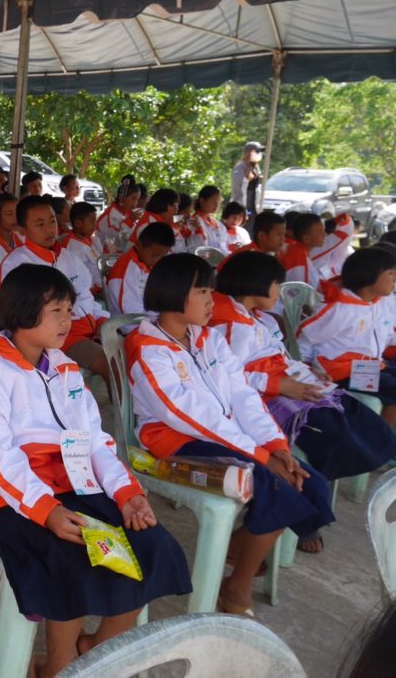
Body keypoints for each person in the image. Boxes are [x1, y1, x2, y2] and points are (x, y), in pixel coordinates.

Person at [0, 263, 191, 676]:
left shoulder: (65, 369)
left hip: (74, 485)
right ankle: (58, 665)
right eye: (57, 312)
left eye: (70, 310)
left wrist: (127, 493)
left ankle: (93, 646)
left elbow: (96, 441)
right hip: (13, 497)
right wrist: (45, 509)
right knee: (69, 559)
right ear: (22, 314)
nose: (69, 320)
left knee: (151, 546)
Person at [127, 253, 334, 617]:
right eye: (202, 291)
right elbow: (187, 415)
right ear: (174, 293)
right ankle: (237, 586)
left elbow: (243, 395)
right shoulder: (148, 349)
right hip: (172, 442)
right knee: (273, 481)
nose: (212, 301)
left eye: (212, 290)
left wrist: (276, 446)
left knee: (308, 480)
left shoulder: (208, 339)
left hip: (226, 436)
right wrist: (261, 457)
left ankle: (241, 545)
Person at [211, 251, 396, 553]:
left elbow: (279, 355)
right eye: (276, 285)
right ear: (256, 285)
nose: (278, 293)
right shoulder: (233, 327)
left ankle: (314, 494)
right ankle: (305, 516)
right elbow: (229, 376)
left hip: (289, 383)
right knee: (333, 434)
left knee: (359, 418)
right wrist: (280, 384)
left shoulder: (259, 319)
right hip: (265, 397)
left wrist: (302, 372)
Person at [0, 195, 111, 383]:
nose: (50, 229)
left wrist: (101, 322)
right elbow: (22, 314)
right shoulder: (17, 264)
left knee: (129, 351)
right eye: (40, 224)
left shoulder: (69, 257)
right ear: (22, 230)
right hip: (56, 335)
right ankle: (122, 413)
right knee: (110, 364)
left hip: (88, 328)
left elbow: (86, 297)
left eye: (52, 221)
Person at [298, 247, 396, 427]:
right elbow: (306, 337)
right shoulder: (340, 309)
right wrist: (306, 369)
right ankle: (383, 443)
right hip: (342, 372)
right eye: (391, 273)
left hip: (368, 367)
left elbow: (388, 335)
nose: (394, 279)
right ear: (370, 275)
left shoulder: (378, 304)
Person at [106, 222, 175, 317]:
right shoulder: (127, 270)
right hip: (131, 325)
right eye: (154, 255)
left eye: (163, 256)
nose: (157, 260)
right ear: (138, 245)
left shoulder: (147, 262)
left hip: (154, 318)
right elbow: (132, 313)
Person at [61, 201, 108, 293]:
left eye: (95, 220)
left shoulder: (89, 238)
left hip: (101, 285)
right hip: (90, 291)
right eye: (92, 221)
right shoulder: (73, 246)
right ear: (78, 223)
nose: (95, 224)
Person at [220, 210, 287, 267]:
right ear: (262, 236)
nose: (283, 239)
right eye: (279, 234)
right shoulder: (247, 257)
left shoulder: (272, 255)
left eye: (284, 234)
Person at [280, 212, 326, 290]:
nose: (324, 235)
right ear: (306, 239)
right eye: (320, 232)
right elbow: (300, 293)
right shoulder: (298, 258)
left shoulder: (296, 250)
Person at [130, 188, 185, 253]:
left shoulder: (158, 220)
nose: (176, 209)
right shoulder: (151, 224)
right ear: (162, 205)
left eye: (177, 205)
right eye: (174, 205)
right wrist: (175, 229)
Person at [96, 178, 140, 251]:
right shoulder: (110, 215)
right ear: (122, 198)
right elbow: (118, 239)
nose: (135, 203)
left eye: (137, 199)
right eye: (133, 198)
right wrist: (130, 221)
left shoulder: (127, 212)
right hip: (103, 253)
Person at [310, 212, 356, 281]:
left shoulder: (333, 252)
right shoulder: (317, 249)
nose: (323, 235)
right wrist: (338, 221)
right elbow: (347, 229)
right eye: (320, 232)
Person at [187, 185, 228, 253]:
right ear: (202, 201)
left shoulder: (219, 225)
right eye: (213, 202)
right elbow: (194, 247)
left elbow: (223, 247)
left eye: (219, 202)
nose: (217, 205)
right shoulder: (193, 221)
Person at [230, 141, 264, 215]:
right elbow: (237, 186)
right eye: (257, 151)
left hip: (254, 203)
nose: (259, 154)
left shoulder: (256, 166)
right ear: (249, 152)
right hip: (242, 203)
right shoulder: (240, 167)